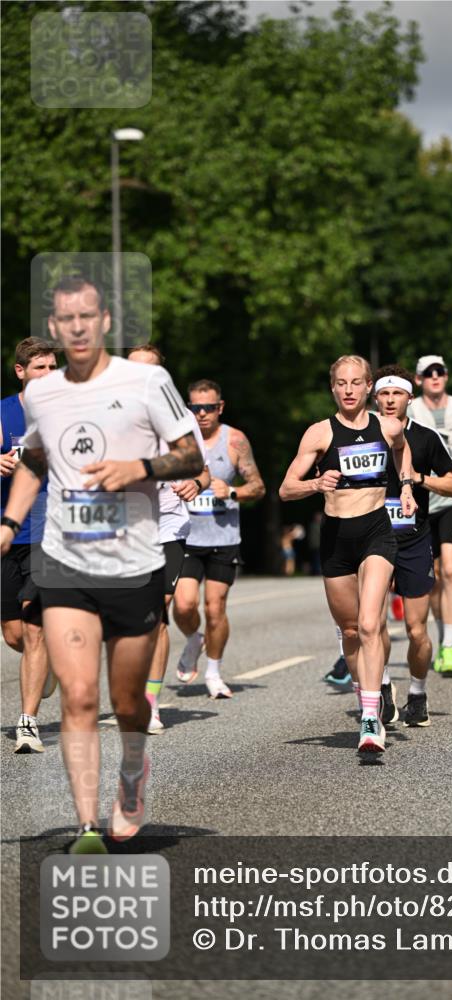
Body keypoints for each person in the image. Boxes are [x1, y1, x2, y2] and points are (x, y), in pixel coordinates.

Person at [0, 275, 203, 853]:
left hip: (132, 562)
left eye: (88, 316)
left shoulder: (147, 381)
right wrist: (10, 523)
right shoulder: (42, 393)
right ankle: (89, 824)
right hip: (64, 561)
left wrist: (138, 467)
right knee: (80, 694)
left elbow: (187, 453)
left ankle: (132, 772)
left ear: (105, 321)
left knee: (127, 697)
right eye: (66, 319)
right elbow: (35, 464)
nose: (79, 327)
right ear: (57, 329)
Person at [279, 355, 416, 754]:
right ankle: (365, 694)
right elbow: (286, 488)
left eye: (357, 382)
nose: (350, 389)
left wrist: (405, 486)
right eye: (342, 383)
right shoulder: (319, 434)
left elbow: (402, 449)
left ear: (368, 385)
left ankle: (371, 718)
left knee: (371, 624)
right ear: (333, 388)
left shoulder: (388, 426)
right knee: (351, 631)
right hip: (336, 539)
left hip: (376, 533)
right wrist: (316, 483)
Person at [127, 344, 211, 734]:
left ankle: (150, 703)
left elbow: (204, 473)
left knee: (157, 615)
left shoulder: (179, 419)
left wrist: (195, 483)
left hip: (168, 529)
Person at [373, 366, 452, 728]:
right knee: (371, 625)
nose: (390, 400)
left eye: (397, 393)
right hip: (372, 540)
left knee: (416, 630)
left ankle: (418, 693)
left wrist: (420, 480)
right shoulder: (360, 436)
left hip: (413, 539)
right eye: (384, 394)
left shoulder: (425, 438)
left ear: (410, 397)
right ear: (375, 398)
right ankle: (381, 690)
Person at [173, 379, 266, 699]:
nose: (201, 414)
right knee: (183, 605)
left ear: (220, 407)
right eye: (194, 408)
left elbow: (258, 486)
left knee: (215, 608)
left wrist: (234, 490)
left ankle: (213, 672)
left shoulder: (235, 441)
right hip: (186, 537)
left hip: (223, 538)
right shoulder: (178, 441)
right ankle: (193, 639)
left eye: (208, 408)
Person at [1, 337, 59, 752]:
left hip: (50, 536)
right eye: (40, 368)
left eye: (53, 368)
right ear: (21, 372)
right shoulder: (3, 413)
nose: (48, 376)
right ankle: (50, 665)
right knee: (14, 635)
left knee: (35, 630)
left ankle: (27, 723)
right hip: (8, 535)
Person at [408, 354, 452, 675]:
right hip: (421, 500)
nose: (435, 377)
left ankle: (449, 646)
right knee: (433, 576)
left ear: (446, 377)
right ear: (419, 379)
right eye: (428, 373)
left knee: (451, 569)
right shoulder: (410, 410)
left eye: (440, 372)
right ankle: (441, 635)